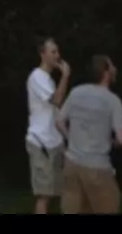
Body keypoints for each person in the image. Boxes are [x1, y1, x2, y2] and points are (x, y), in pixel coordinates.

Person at [59, 55, 122, 214]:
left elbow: (60, 122)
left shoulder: (76, 92)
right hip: (97, 168)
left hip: (72, 165)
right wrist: (111, 143)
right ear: (106, 73)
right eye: (111, 66)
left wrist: (72, 139)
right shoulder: (112, 101)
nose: (114, 69)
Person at [25, 38, 70, 213]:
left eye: (58, 51)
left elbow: (56, 111)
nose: (57, 56)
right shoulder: (36, 77)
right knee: (44, 195)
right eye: (53, 52)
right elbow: (57, 99)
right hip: (41, 142)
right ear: (42, 54)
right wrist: (65, 75)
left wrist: (67, 137)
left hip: (55, 141)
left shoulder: (49, 80)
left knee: (61, 191)